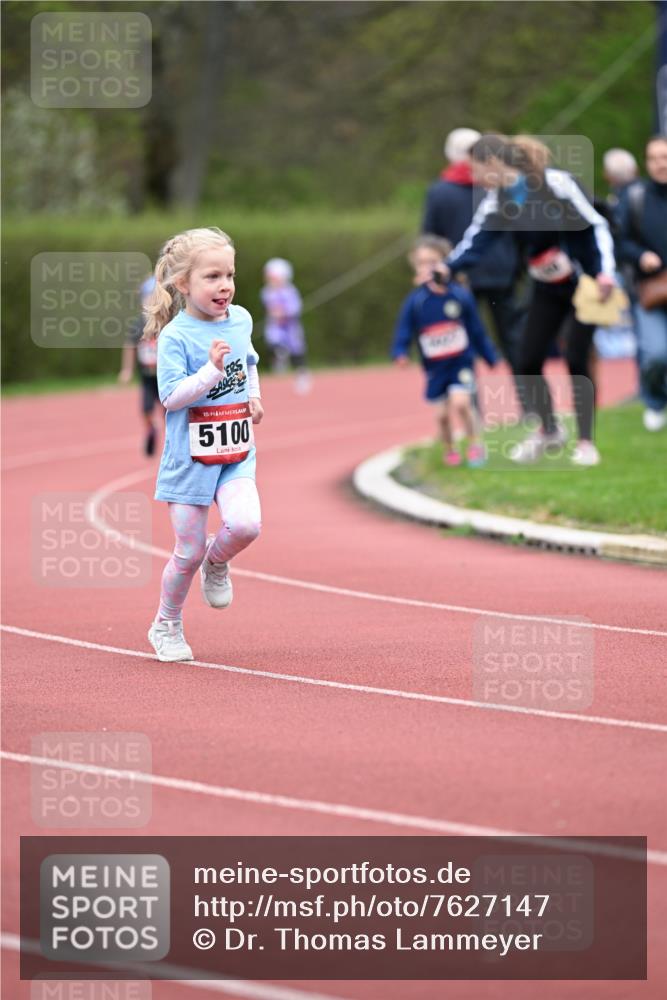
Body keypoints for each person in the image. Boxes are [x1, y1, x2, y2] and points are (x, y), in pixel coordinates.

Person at [444, 134, 617, 466]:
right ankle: (549, 430)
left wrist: (605, 273)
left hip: (588, 286)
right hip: (547, 288)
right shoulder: (498, 199)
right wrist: (446, 268)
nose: (474, 178)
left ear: (493, 163)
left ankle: (585, 442)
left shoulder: (556, 183)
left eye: (476, 169)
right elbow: (476, 241)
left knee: (576, 358)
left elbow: (597, 225)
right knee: (527, 359)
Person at [142, 227, 264, 662]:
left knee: (246, 525)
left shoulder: (241, 319)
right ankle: (166, 624)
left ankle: (218, 561)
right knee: (187, 551)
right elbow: (171, 397)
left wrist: (254, 396)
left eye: (229, 275)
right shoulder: (175, 336)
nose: (224, 285)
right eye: (212, 276)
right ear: (183, 284)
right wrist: (211, 371)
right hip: (189, 460)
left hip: (235, 453)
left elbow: (249, 361)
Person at [422, 127, 524, 371]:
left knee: (462, 338)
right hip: (502, 270)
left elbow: (431, 237)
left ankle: (468, 394)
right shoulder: (498, 185)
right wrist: (517, 265)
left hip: (463, 275)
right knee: (513, 338)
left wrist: (441, 268)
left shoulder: (440, 191)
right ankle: (529, 393)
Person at [391, 237, 499, 467]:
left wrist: (489, 355)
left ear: (445, 263)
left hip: (461, 363)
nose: (427, 268)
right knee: (441, 415)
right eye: (421, 263)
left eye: (432, 262)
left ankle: (475, 444)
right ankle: (450, 449)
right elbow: (404, 330)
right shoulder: (416, 302)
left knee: (462, 404)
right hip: (435, 368)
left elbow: (476, 329)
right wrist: (400, 352)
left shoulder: (460, 296)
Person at [616, 135, 667, 431]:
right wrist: (641, 256)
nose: (661, 164)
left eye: (665, 157)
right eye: (654, 158)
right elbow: (619, 241)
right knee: (657, 354)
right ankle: (656, 400)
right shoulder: (634, 197)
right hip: (651, 292)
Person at [118, 275, 163, 456]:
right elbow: (130, 346)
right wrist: (127, 370)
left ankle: (174, 438)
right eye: (148, 298)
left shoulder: (166, 323)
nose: (150, 303)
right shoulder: (138, 325)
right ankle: (151, 429)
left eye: (154, 299)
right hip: (147, 378)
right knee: (146, 410)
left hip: (165, 377)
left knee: (169, 411)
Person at [261, 257, 310, 394]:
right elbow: (268, 307)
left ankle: (302, 376)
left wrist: (285, 312)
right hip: (275, 327)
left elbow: (296, 308)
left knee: (297, 352)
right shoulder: (266, 292)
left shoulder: (290, 291)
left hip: (291, 328)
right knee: (273, 342)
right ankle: (280, 356)